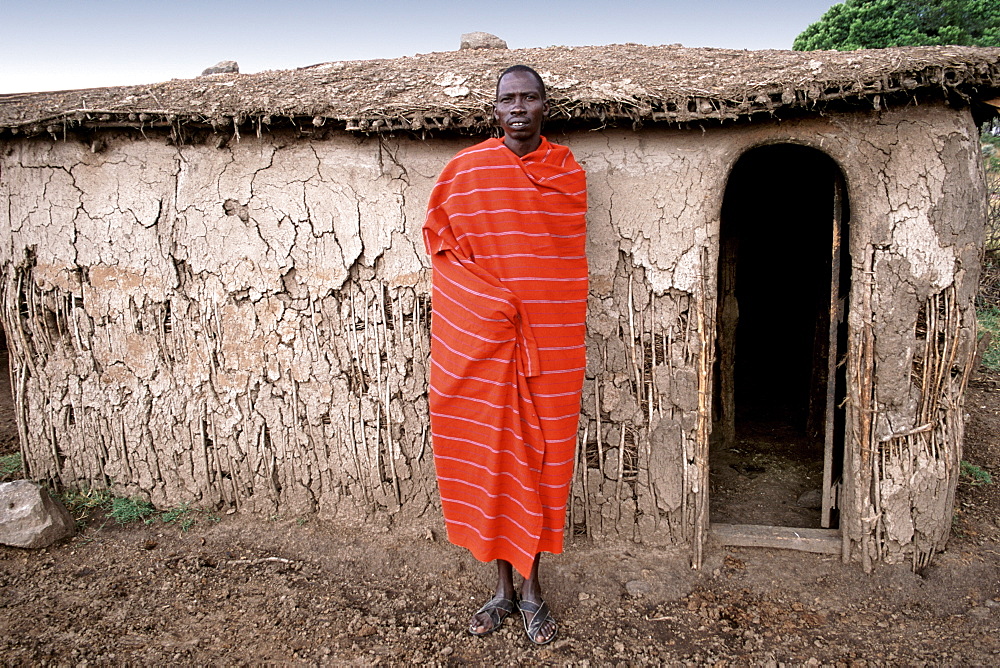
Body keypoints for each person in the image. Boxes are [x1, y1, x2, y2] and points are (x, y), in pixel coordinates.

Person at [422, 64, 588, 645]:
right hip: (486, 349)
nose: (518, 107)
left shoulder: (566, 175)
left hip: (551, 348)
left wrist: (524, 311)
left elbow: (559, 269)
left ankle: (534, 590)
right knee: (492, 461)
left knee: (542, 467)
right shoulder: (467, 173)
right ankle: (502, 590)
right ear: (495, 111)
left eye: (530, 97)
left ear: (546, 106)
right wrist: (490, 308)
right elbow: (441, 245)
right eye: (508, 99)